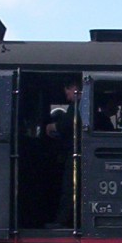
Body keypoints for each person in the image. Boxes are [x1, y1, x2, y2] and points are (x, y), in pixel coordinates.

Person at [45, 79, 80, 228]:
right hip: (76, 153)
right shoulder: (81, 106)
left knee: (70, 188)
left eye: (68, 92)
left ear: (74, 88)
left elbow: (66, 125)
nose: (67, 97)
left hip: (76, 155)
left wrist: (52, 126)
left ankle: (63, 221)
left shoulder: (77, 106)